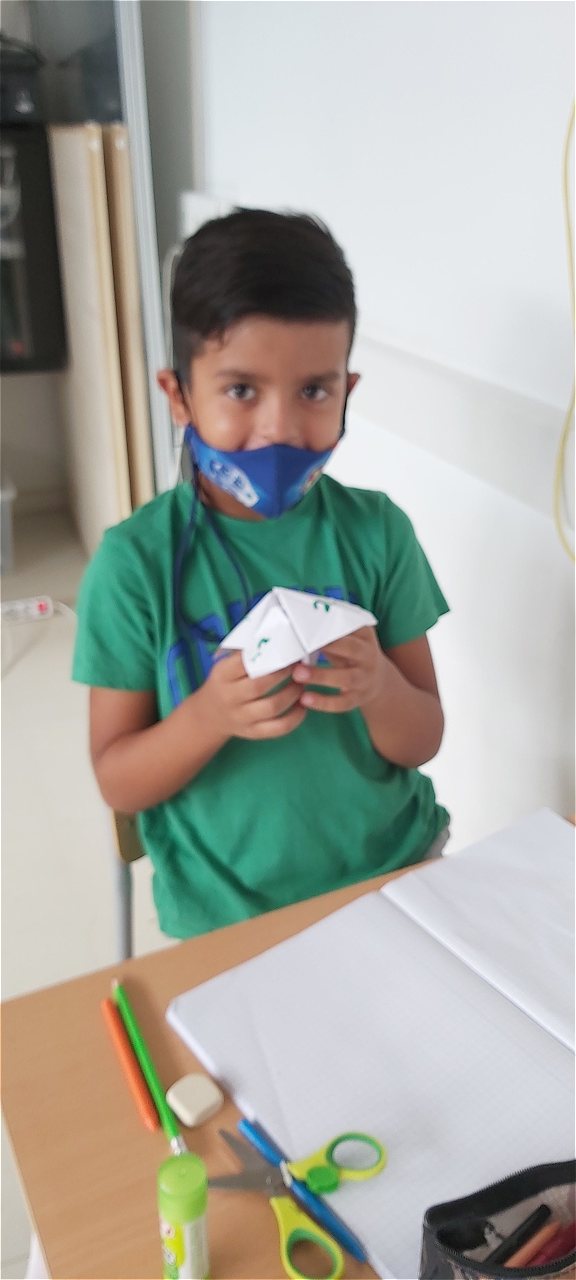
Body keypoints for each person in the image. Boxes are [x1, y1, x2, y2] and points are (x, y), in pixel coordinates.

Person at [73, 208, 450, 940]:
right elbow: (119, 780)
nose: (280, 428)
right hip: (231, 918)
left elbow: (424, 736)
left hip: (399, 874)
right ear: (179, 396)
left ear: (347, 390)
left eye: (313, 391)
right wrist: (208, 718)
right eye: (242, 390)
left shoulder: (377, 533)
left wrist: (379, 687)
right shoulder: (135, 566)